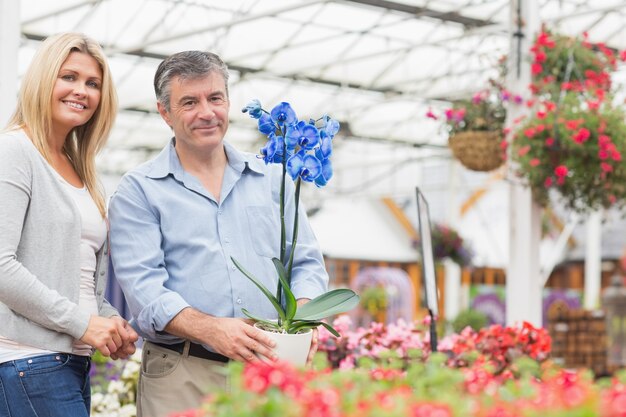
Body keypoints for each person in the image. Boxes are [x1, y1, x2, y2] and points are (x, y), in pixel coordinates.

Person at [108, 51, 329, 417]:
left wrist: (304, 318)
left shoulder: (272, 178)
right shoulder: (139, 190)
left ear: (228, 101)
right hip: (183, 374)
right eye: (189, 102)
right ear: (165, 112)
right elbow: (145, 289)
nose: (207, 112)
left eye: (215, 98)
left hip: (268, 368)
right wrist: (211, 329)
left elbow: (305, 261)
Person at [0, 32, 138, 417]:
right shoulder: (14, 152)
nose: (82, 91)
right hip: (28, 360)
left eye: (93, 83)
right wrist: (83, 324)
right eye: (69, 77)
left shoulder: (83, 172)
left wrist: (108, 320)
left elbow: (75, 275)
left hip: (67, 362)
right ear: (44, 79)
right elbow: (1, 266)